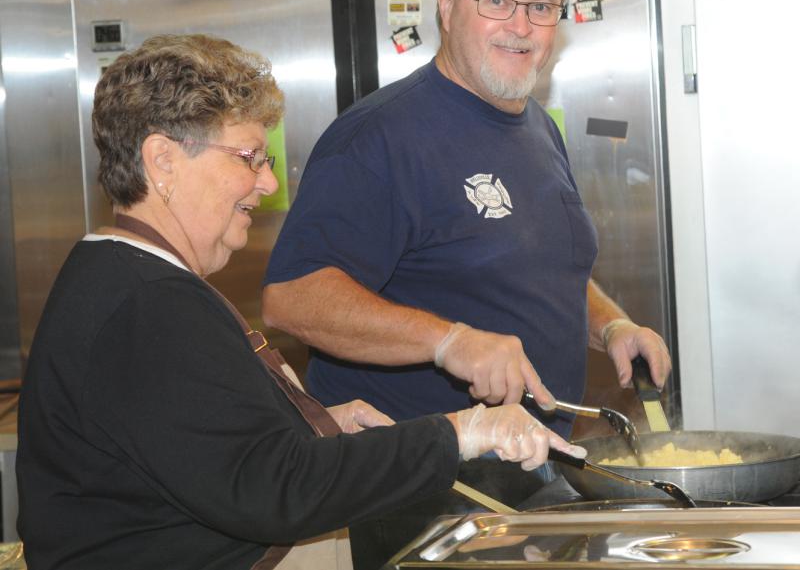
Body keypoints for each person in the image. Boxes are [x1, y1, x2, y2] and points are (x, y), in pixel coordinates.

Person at [15, 34, 585, 570]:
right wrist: (464, 431)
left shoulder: (126, 276)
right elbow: (276, 492)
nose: (267, 183)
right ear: (163, 159)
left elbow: (196, 447)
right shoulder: (148, 304)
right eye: (248, 158)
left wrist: (310, 423)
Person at [260, 0, 672, 546]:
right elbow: (291, 300)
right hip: (424, 494)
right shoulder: (379, 138)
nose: (521, 26)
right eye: (498, 1)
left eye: (541, 7)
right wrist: (449, 341)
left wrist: (610, 324)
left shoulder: (536, 126)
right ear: (448, 5)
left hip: (529, 473)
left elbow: (539, 265)